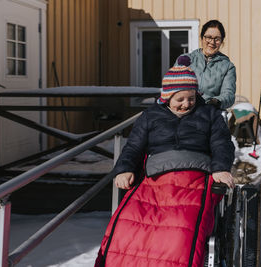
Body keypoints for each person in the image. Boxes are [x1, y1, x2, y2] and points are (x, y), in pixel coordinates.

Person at [94, 64, 235, 267]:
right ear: (167, 97)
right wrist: (124, 169)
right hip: (154, 179)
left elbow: (222, 144)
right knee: (128, 223)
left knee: (181, 230)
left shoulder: (209, 115)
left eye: (192, 98)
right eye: (180, 99)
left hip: (195, 177)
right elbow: (133, 147)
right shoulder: (150, 116)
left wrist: (221, 168)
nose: (186, 104)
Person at [175, 19, 236, 109]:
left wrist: (215, 101)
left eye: (217, 39)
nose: (212, 42)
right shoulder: (186, 60)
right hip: (184, 108)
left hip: (209, 111)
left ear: (222, 41)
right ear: (202, 38)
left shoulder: (227, 67)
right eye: (209, 37)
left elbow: (228, 95)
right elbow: (174, 85)